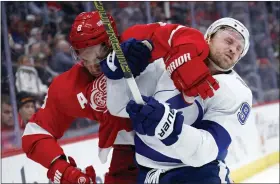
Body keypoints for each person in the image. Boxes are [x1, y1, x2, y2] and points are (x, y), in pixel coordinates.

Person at [103, 18, 252, 183]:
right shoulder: (167, 62)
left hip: (198, 176)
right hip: (148, 175)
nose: (232, 49)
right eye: (228, 41)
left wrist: (170, 127)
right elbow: (120, 107)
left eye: (239, 49)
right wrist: (116, 77)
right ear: (209, 37)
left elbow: (206, 151)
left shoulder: (237, 92)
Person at [21, 11, 152, 184]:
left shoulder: (142, 47)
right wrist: (61, 169)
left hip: (173, 140)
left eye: (98, 57)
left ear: (111, 43)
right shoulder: (70, 85)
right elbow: (35, 133)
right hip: (129, 152)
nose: (92, 65)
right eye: (84, 56)